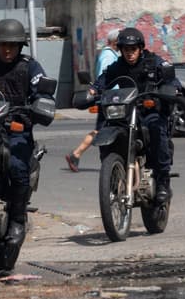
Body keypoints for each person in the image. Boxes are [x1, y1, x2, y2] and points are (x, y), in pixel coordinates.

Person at [0, 18, 54, 252]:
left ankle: (18, 219)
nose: (7, 49)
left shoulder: (30, 67)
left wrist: (42, 102)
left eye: (12, 45)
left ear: (20, 46)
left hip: (15, 128)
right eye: (2, 44)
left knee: (17, 166)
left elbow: (43, 91)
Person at [86, 26, 176, 203]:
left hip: (149, 111)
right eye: (126, 50)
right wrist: (91, 91)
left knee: (157, 130)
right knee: (107, 130)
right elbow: (103, 81)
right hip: (126, 112)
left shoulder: (153, 62)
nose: (130, 53)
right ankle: (112, 173)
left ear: (140, 48)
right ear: (120, 50)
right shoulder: (117, 67)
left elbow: (170, 78)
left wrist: (173, 87)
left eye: (133, 49)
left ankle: (163, 181)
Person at [66, 27, 119, 172]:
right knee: (102, 131)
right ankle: (76, 154)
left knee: (101, 130)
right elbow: (106, 78)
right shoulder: (108, 56)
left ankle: (76, 154)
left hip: (113, 100)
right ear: (115, 42)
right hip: (111, 101)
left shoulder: (111, 54)